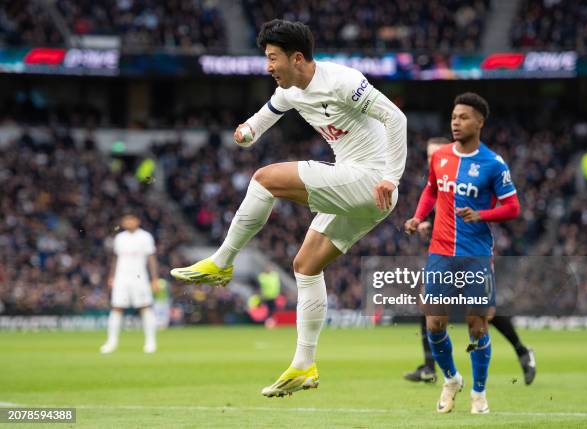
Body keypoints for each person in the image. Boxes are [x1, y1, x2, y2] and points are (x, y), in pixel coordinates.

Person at [171, 19, 407, 397]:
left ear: (297, 58)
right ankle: (304, 365)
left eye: (272, 58)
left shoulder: (343, 81)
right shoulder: (291, 90)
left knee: (265, 179)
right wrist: (247, 132)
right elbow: (263, 118)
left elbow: (396, 118)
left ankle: (222, 260)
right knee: (305, 266)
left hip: (372, 180)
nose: (268, 66)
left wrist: (392, 176)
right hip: (364, 192)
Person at [404, 93, 520, 414]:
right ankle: (452, 378)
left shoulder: (493, 164)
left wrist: (482, 215)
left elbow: (512, 207)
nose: (456, 122)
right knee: (435, 324)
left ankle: (479, 392)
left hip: (476, 254)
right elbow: (431, 189)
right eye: (454, 117)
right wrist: (418, 217)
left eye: (464, 117)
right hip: (439, 252)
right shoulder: (439, 156)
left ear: (480, 122)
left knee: (477, 326)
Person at [405, 139, 536, 385]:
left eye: (433, 153)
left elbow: (464, 214)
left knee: (484, 313)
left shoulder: (465, 172)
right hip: (443, 252)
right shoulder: (438, 174)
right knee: (429, 305)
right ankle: (430, 366)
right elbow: (435, 203)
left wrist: (428, 225)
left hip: (472, 251)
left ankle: (520, 350)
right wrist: (421, 221)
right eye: (427, 155)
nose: (430, 158)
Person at [100, 214, 159, 354]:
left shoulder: (145, 237)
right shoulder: (119, 238)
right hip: (121, 277)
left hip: (140, 277)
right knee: (117, 308)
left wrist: (154, 278)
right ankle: (111, 342)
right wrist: (111, 276)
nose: (128, 222)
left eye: (131, 219)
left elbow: (151, 258)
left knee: (145, 307)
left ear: (137, 220)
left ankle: (150, 342)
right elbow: (116, 258)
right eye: (126, 219)